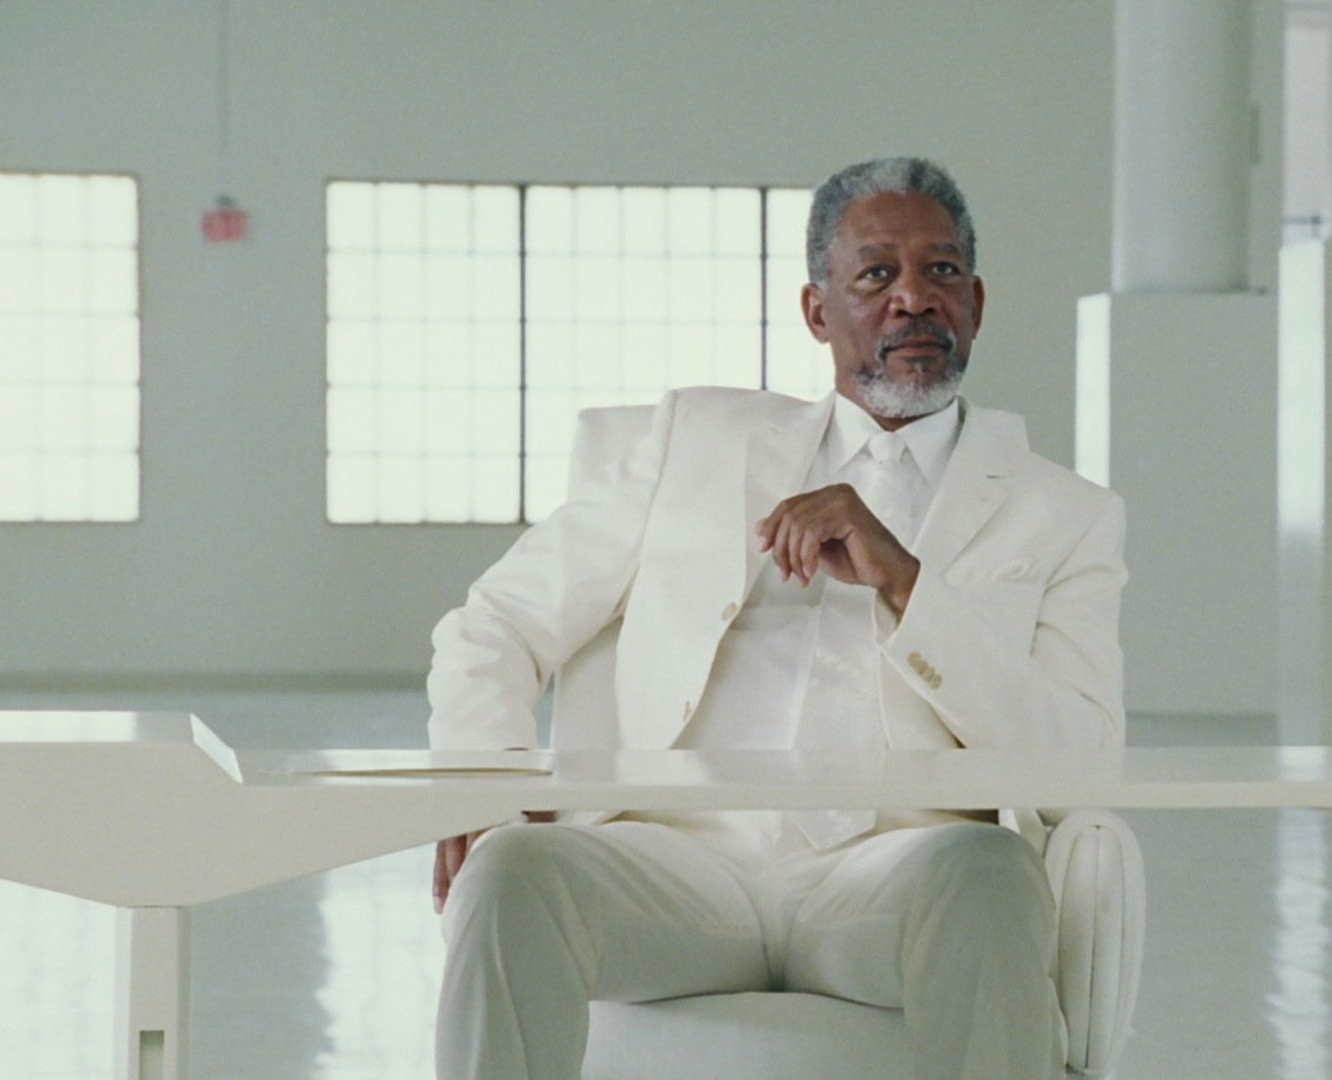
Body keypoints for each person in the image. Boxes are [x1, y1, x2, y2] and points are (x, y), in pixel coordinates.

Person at [425, 157, 1126, 1080]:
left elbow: (1082, 762)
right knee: (511, 873)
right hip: (674, 865)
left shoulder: (1062, 514)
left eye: (942, 271)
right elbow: (495, 623)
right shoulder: (693, 445)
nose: (914, 297)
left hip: (895, 874)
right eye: (875, 274)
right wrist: (482, 782)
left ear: (977, 302)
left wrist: (909, 585)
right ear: (816, 311)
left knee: (990, 871)